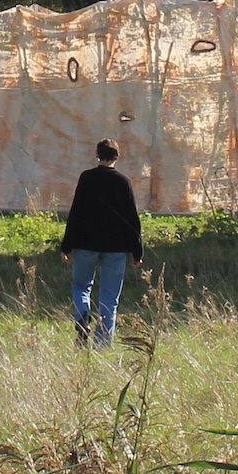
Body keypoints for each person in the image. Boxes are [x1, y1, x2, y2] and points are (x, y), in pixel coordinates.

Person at [59, 139, 143, 349]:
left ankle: (83, 316)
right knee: (109, 296)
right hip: (116, 248)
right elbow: (132, 218)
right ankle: (102, 344)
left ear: (97, 154)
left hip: (86, 244)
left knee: (81, 286)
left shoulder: (86, 178)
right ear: (117, 156)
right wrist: (137, 251)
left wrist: (66, 246)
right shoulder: (123, 182)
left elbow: (76, 212)